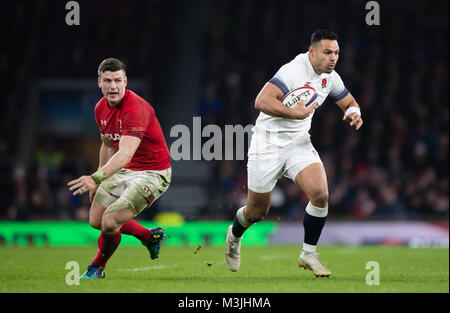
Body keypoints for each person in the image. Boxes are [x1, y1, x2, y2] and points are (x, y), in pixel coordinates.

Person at [225, 30, 363, 277]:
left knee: (320, 195)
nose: (333, 58)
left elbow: (348, 101)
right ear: (312, 52)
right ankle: (234, 236)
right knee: (256, 212)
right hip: (266, 144)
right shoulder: (292, 71)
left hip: (298, 143)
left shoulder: (330, 78)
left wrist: (354, 112)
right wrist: (295, 113)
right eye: (328, 52)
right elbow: (261, 100)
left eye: (337, 53)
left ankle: (308, 254)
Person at [68, 58, 172, 279]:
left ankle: (97, 268)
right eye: (107, 81)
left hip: (153, 173)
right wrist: (100, 176)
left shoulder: (135, 109)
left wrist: (95, 178)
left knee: (110, 221)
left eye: (117, 80)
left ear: (125, 81)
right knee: (96, 220)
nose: (113, 86)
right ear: (99, 82)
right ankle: (149, 237)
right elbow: (107, 144)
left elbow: (124, 154)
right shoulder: (100, 108)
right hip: (126, 169)